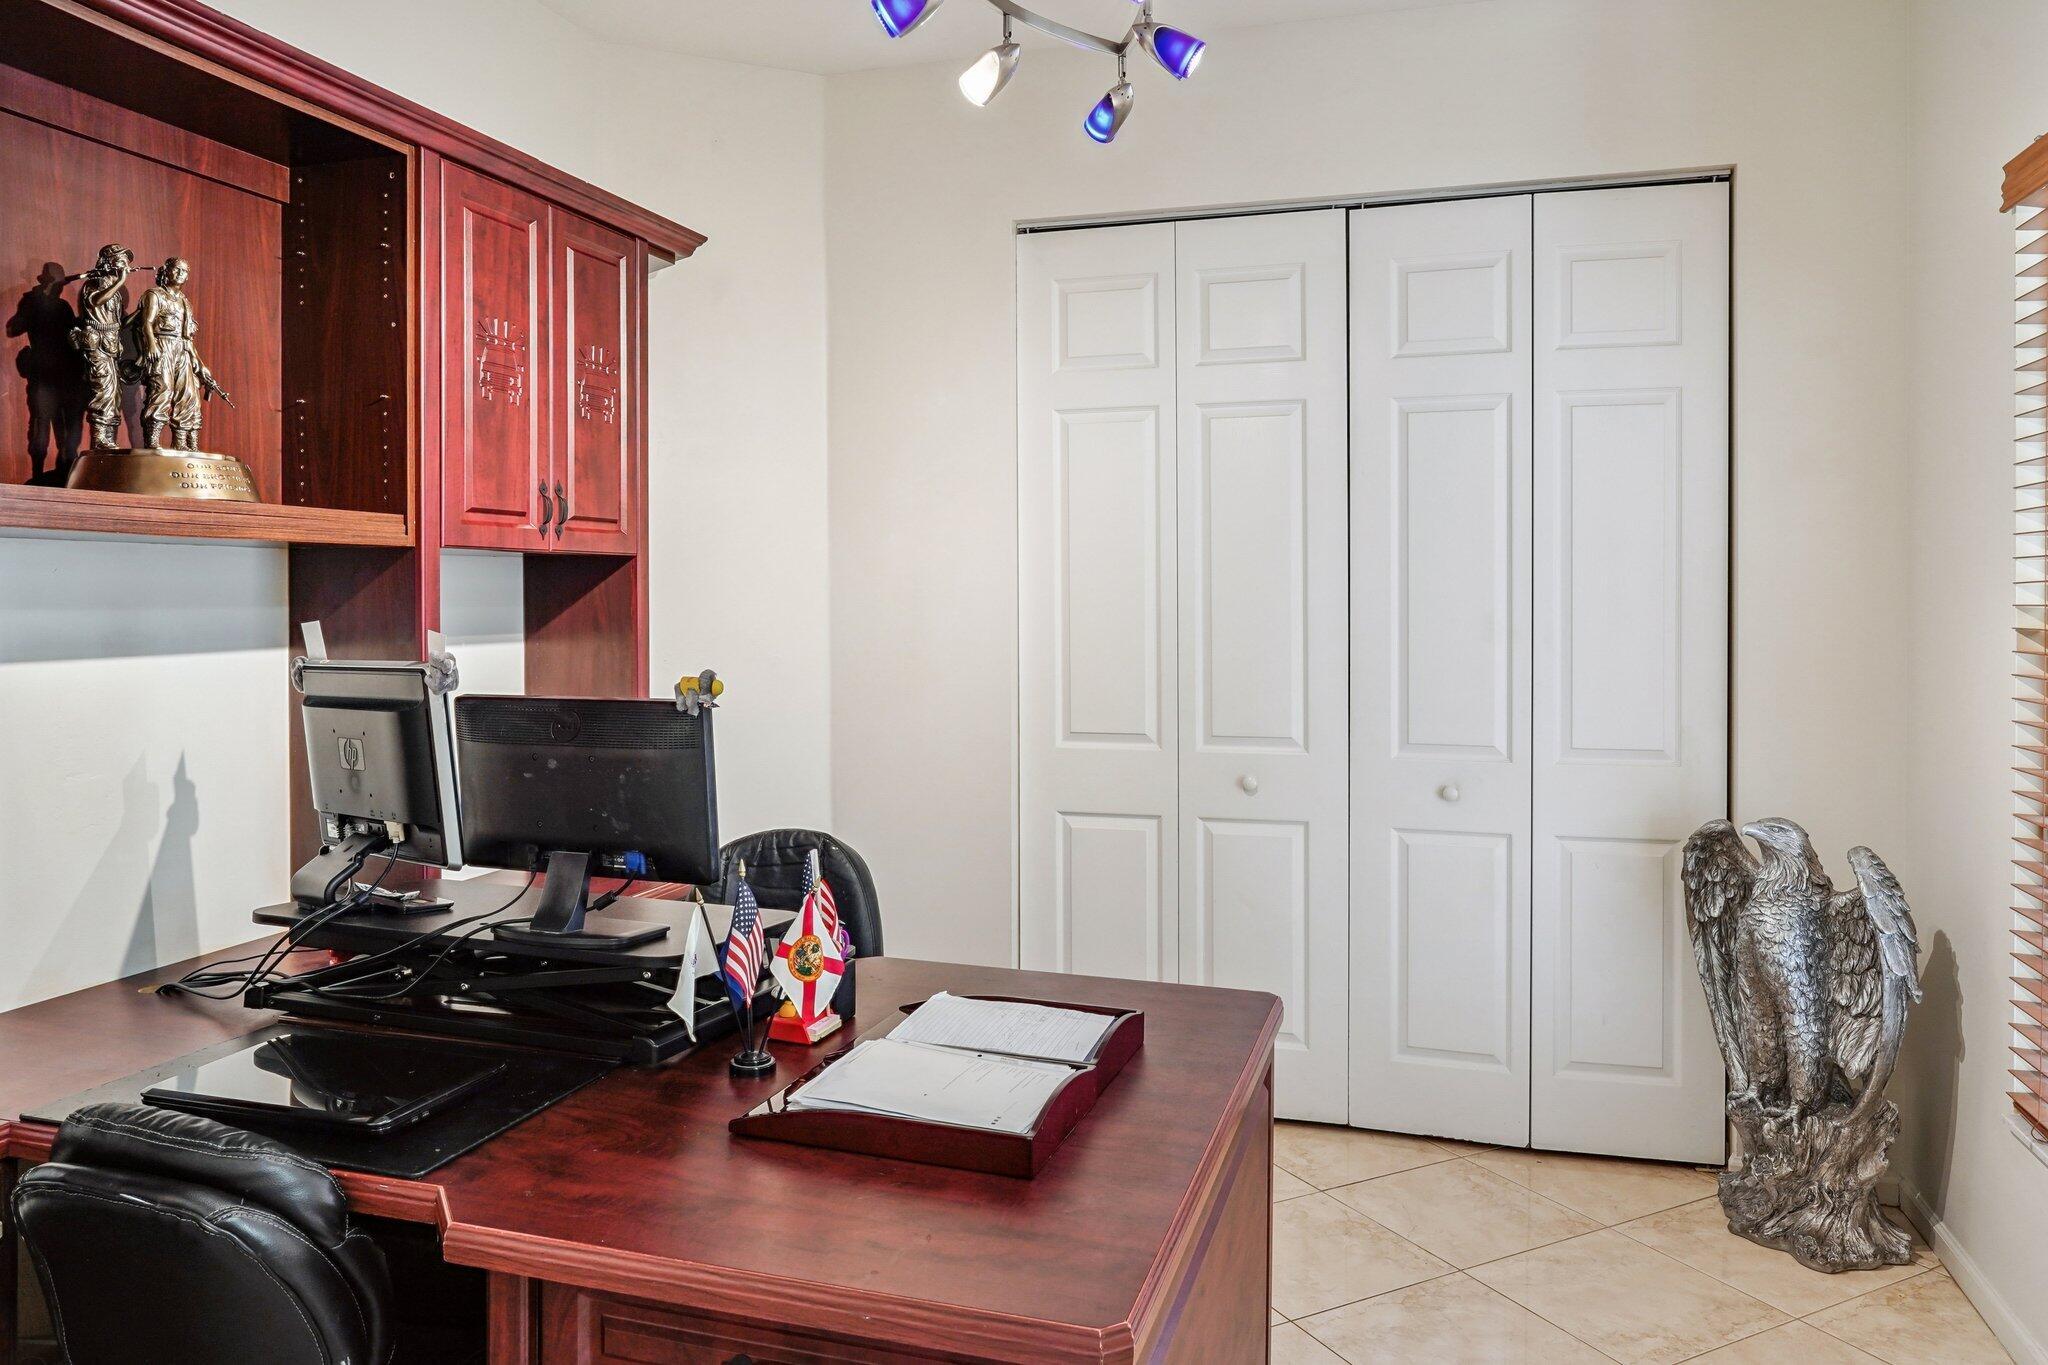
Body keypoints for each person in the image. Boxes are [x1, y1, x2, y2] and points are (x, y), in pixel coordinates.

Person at [130, 256, 219, 451]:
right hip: (162, 345)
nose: (180, 274)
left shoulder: (185, 303)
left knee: (188, 394)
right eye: (176, 269)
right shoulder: (154, 295)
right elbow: (146, 323)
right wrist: (151, 346)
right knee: (162, 390)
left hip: (183, 349)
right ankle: (152, 442)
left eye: (185, 271)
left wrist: (198, 363)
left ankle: (181, 444)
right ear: (166, 271)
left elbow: (188, 337)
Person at [5, 262, 83, 479]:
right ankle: (37, 473)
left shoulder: (63, 307)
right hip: (42, 375)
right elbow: (13, 328)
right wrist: (37, 299)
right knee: (40, 425)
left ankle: (64, 471)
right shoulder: (31, 302)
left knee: (63, 427)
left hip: (64, 376)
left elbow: (73, 338)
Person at [68, 244, 137, 453]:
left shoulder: (114, 291)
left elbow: (119, 323)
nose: (125, 264)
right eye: (121, 259)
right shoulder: (95, 283)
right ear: (108, 261)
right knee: (103, 392)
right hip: (97, 344)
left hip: (112, 344)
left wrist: (139, 313)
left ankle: (109, 439)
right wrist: (121, 281)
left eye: (126, 261)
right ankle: (100, 440)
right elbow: (96, 302)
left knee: (114, 394)